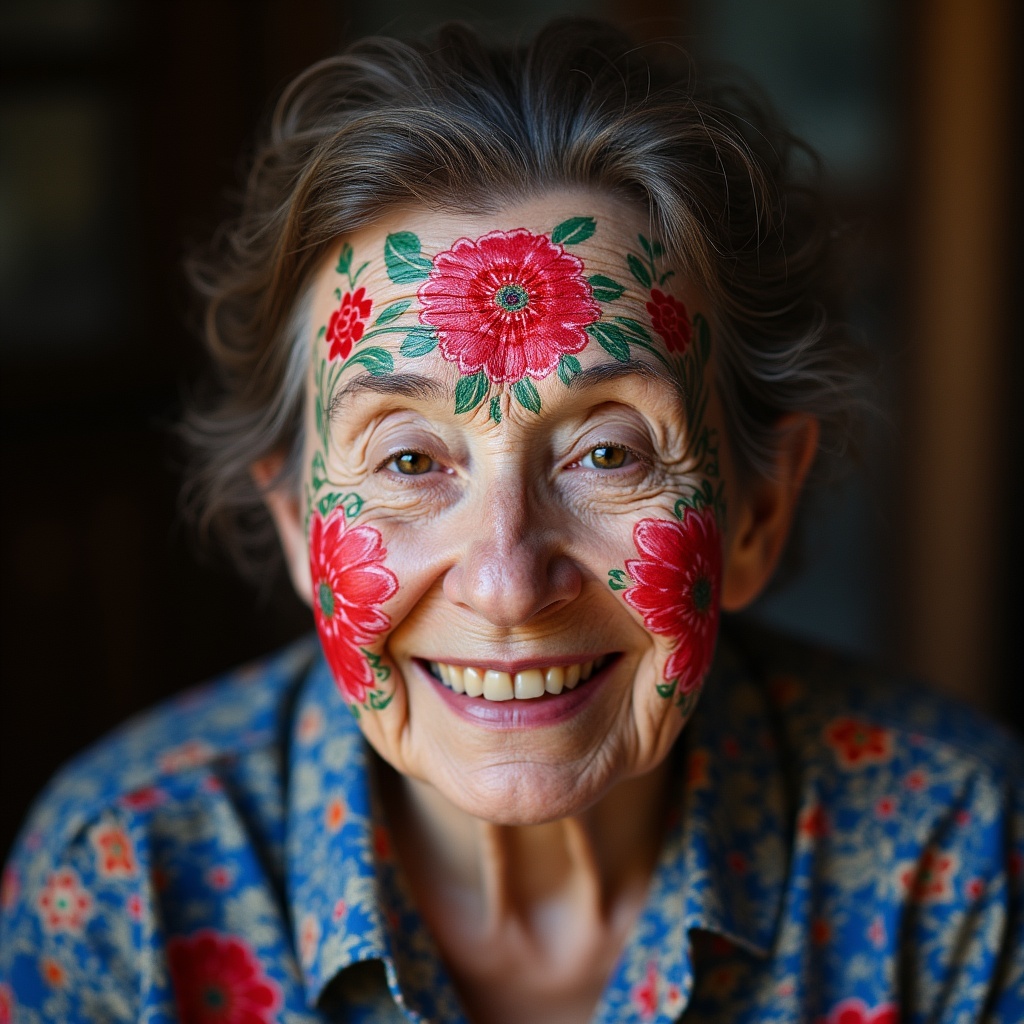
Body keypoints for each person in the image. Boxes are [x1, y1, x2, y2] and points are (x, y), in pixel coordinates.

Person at [1, 18, 1020, 1024]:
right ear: (296, 519)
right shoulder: (121, 880)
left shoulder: (956, 850)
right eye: (407, 458)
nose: (506, 582)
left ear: (755, 511)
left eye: (609, 453)